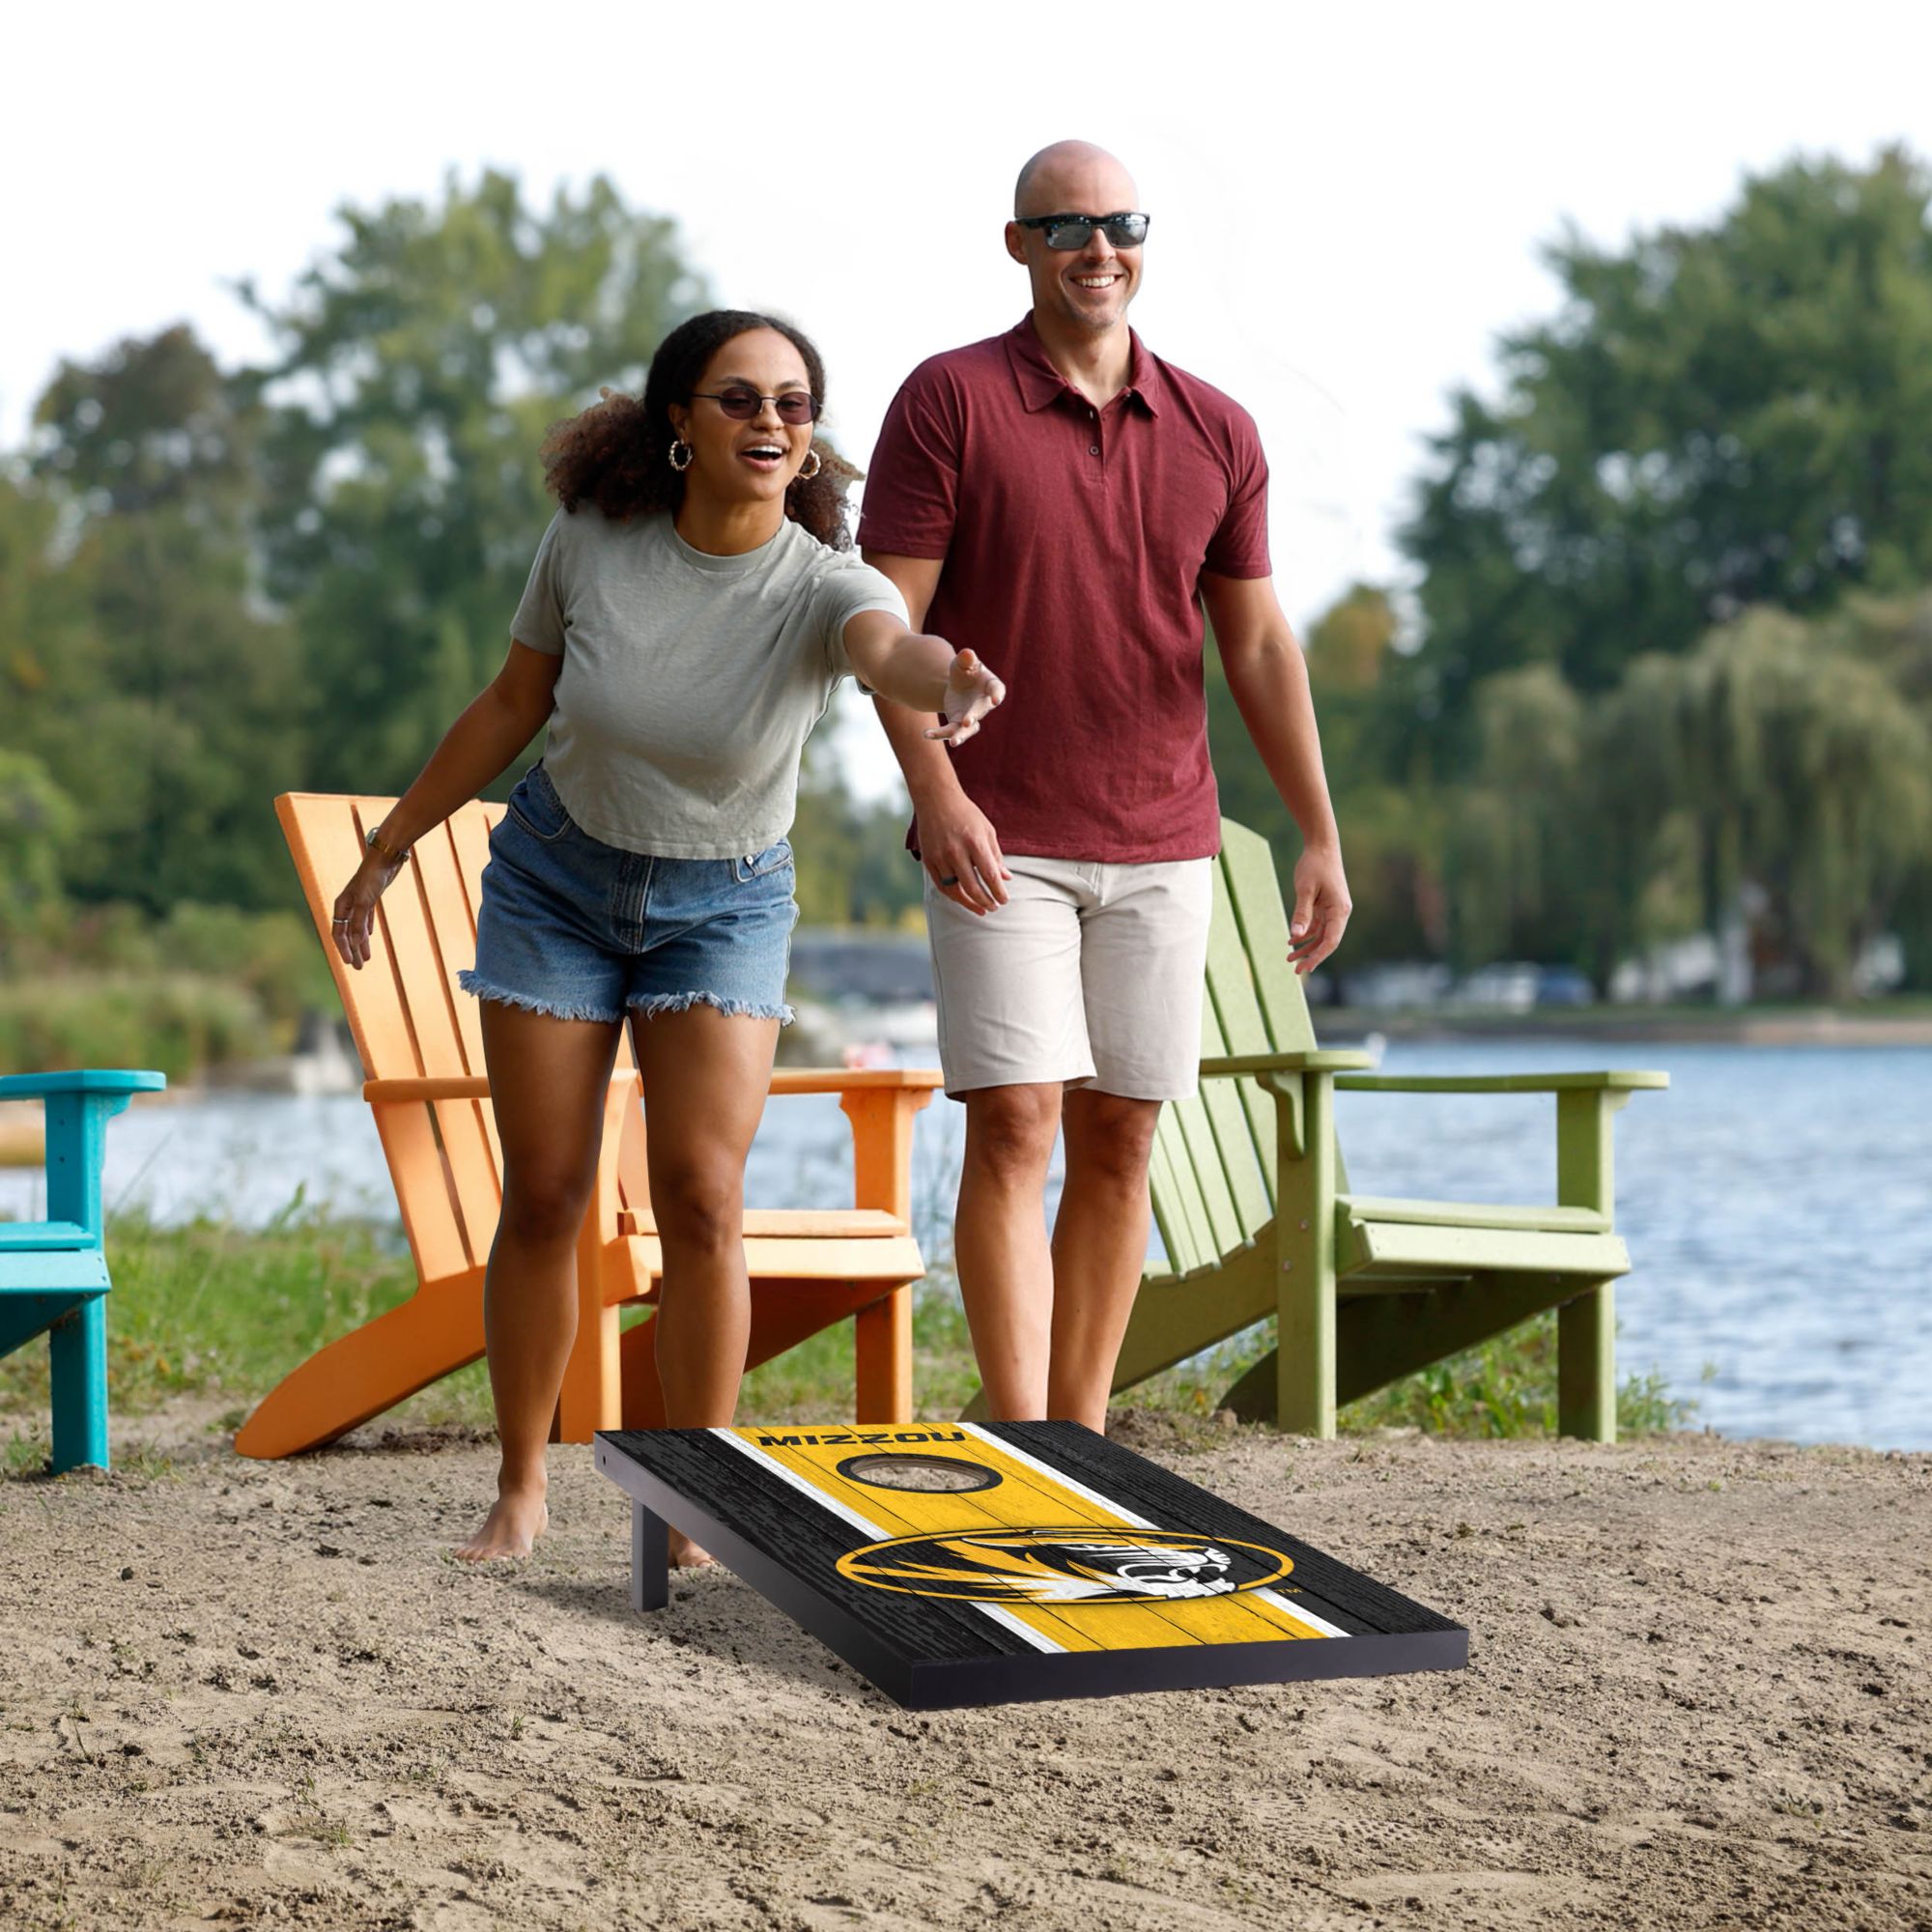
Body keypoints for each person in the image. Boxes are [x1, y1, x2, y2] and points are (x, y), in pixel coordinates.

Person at [328, 309, 1005, 1565]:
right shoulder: (592, 542)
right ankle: (523, 1487)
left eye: (793, 405)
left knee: (702, 1196)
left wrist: (946, 683)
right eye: (739, 399)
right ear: (680, 425)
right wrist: (395, 841)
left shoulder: (823, 582)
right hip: (556, 886)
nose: (769, 423)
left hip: (725, 904)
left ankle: (698, 1498)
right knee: (546, 1192)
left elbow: (887, 653)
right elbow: (513, 701)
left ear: (809, 443)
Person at [857, 141, 1350, 1431]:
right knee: (1017, 1123)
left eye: (1119, 223)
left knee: (1122, 1136)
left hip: (1163, 838)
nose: (1097, 247)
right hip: (997, 836)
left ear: (1144, 239)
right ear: (1017, 244)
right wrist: (935, 794)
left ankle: (1080, 1437)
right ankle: (1021, 1434)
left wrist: (1317, 833)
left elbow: (1258, 643)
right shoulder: (947, 402)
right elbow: (878, 629)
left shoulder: (1216, 428)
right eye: (1065, 225)